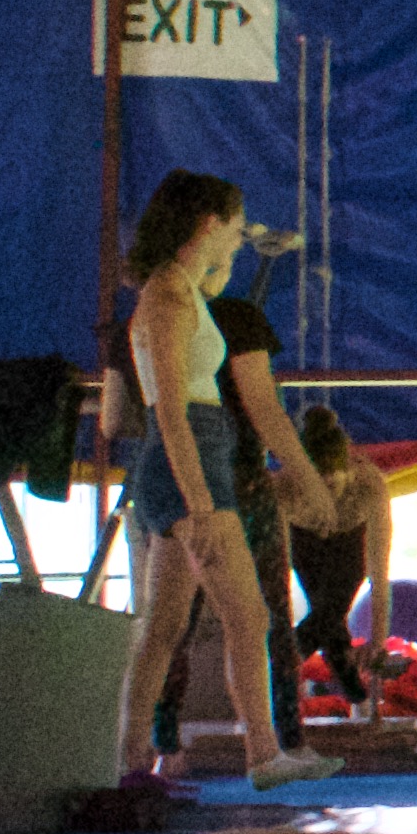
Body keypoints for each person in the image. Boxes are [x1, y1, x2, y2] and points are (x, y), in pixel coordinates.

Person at [103, 172, 331, 788]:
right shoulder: (168, 299)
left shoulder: (182, 289)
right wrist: (200, 503)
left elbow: (212, 281)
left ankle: (127, 757)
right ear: (207, 223)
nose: (241, 235)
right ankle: (263, 753)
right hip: (189, 465)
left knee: (164, 627)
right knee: (248, 616)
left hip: (189, 460)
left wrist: (223, 255)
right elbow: (171, 412)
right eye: (235, 224)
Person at [147, 236, 351, 767]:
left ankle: (160, 747)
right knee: (260, 617)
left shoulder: (154, 317)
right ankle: (279, 743)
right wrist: (307, 480)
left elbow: (132, 417)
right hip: (232, 481)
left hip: (172, 477)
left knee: (170, 627)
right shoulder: (233, 320)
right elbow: (264, 408)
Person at [283, 404, 402, 722]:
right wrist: (278, 634)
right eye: (317, 491)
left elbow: (379, 574)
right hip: (304, 537)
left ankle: (350, 693)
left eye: (332, 487)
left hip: (351, 536)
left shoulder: (368, 485)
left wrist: (378, 641)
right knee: (327, 620)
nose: (327, 500)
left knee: (330, 611)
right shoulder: (286, 489)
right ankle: (355, 695)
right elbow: (275, 576)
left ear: (348, 471)